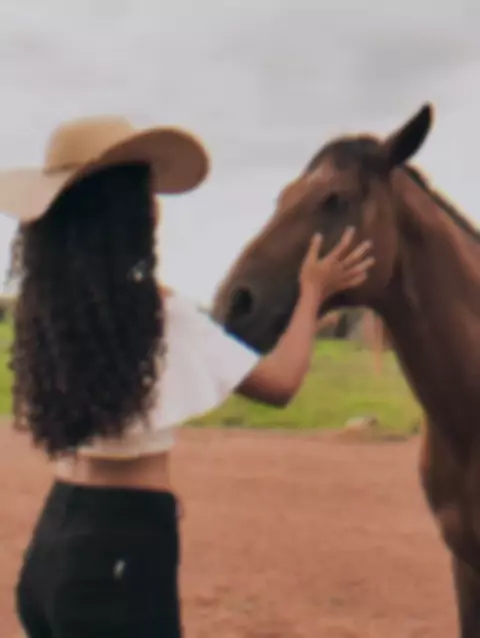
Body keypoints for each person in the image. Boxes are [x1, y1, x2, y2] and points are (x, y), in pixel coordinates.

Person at [0, 114, 374, 638]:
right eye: (145, 190)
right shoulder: (159, 312)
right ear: (128, 212)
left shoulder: (48, 311)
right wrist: (313, 292)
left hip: (52, 543)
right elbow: (280, 383)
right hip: (121, 556)